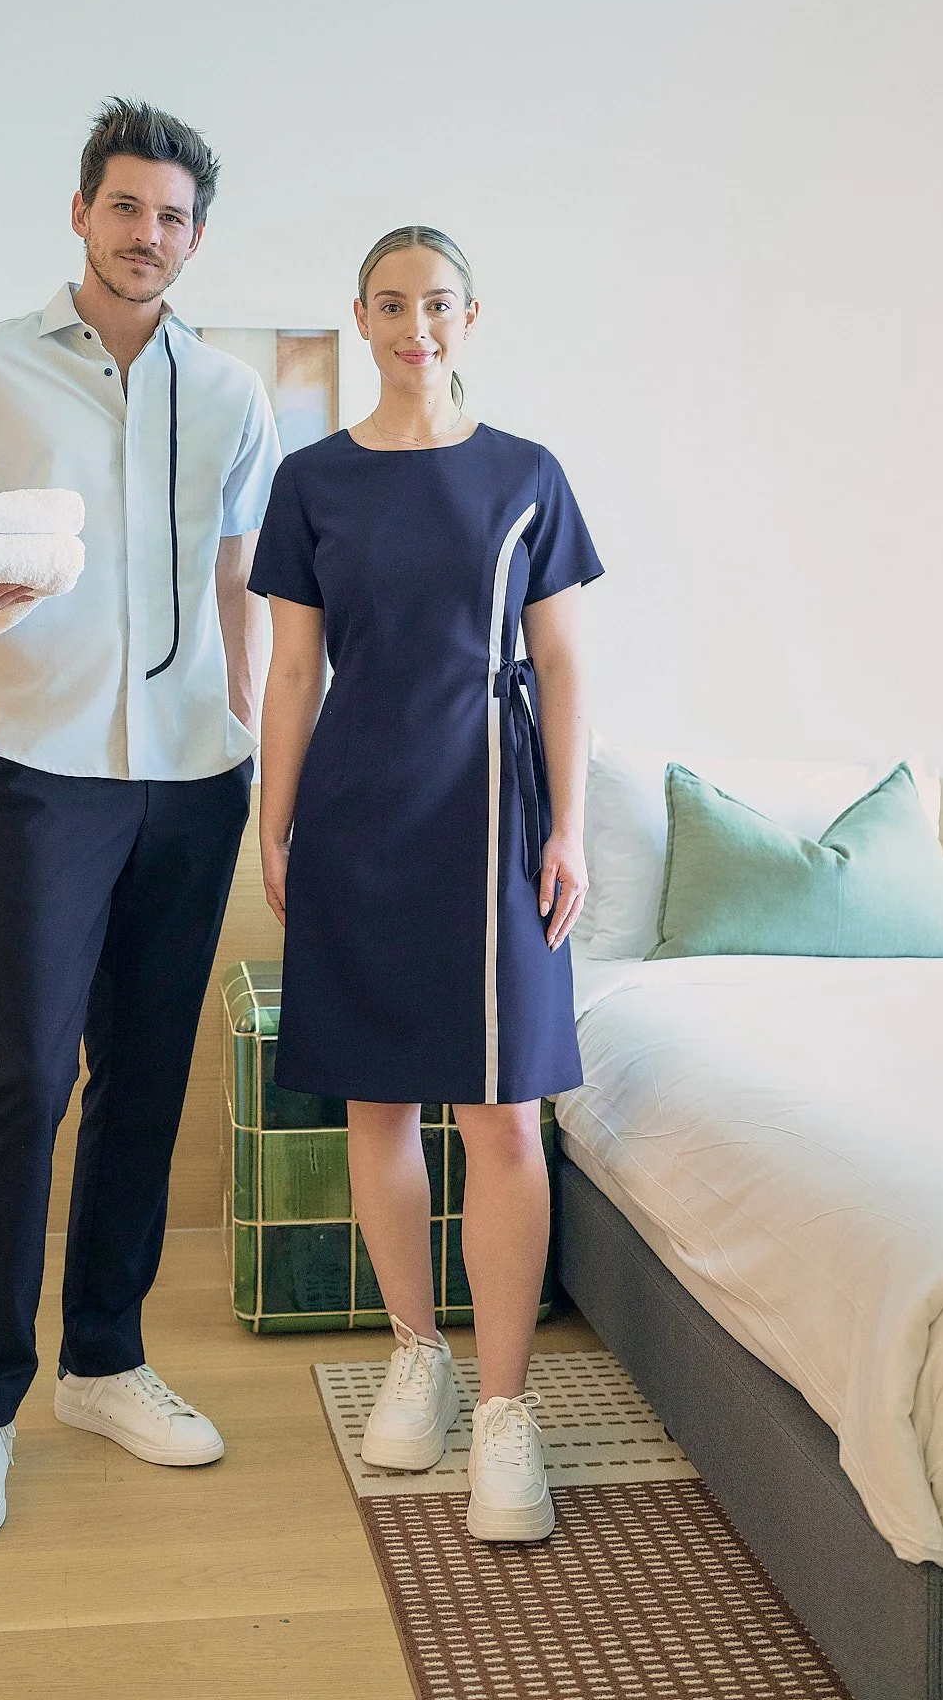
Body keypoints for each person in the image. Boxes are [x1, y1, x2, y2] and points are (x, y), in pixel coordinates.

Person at [0, 99, 280, 1544]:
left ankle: (105, 1359)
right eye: (125, 208)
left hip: (193, 776)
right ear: (80, 214)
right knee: (29, 1075)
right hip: (43, 768)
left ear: (194, 236)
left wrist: (251, 732)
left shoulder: (230, 394)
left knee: (146, 1076)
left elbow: (241, 581)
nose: (145, 236)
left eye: (171, 217)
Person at [251, 225, 601, 1543]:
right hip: (357, 806)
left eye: (438, 304)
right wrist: (273, 824)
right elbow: (293, 670)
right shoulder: (312, 481)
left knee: (503, 1115)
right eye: (391, 305)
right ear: (359, 318)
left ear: (472, 316)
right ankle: (418, 1352)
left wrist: (570, 829)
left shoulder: (528, 476)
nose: (417, 326)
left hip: (496, 811)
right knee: (378, 1100)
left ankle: (506, 1413)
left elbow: (563, 666)